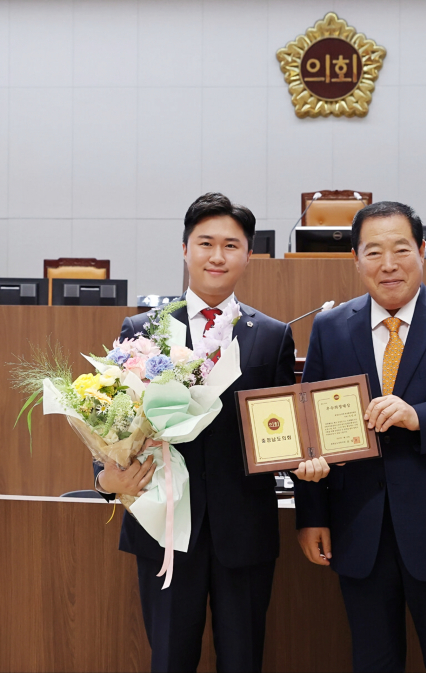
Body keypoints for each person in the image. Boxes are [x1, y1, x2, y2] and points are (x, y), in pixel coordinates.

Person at [94, 192, 316, 673]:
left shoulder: (272, 335)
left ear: (248, 254)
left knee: (243, 660)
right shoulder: (144, 328)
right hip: (165, 527)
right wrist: (105, 477)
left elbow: (284, 429)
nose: (218, 256)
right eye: (206, 243)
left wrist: (305, 459)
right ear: (185, 249)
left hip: (245, 529)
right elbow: (113, 419)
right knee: (170, 659)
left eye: (231, 245)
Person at [293, 201, 426, 673]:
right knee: (372, 662)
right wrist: (311, 515)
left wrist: (420, 417)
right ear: (356, 259)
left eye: (400, 249)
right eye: (373, 252)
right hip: (359, 530)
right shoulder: (331, 328)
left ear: (422, 250)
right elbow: (309, 428)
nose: (388, 264)